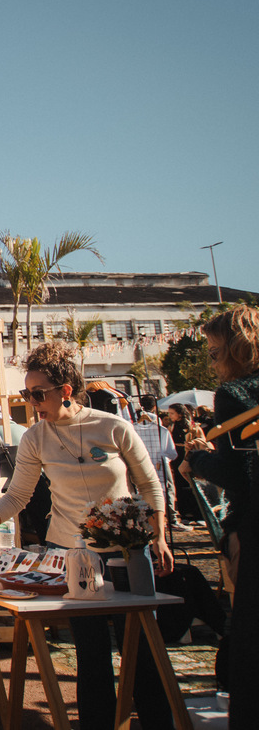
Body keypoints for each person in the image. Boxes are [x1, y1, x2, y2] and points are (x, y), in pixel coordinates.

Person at [0, 341, 172, 730]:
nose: (32, 402)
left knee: (145, 646)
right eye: (26, 394)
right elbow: (18, 496)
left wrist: (159, 536)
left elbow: (150, 485)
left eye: (38, 393)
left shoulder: (113, 426)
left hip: (128, 549)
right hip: (71, 553)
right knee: (91, 650)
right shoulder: (34, 438)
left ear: (66, 390)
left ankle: (158, 721)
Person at [182, 305, 259, 724]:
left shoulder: (235, 395)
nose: (212, 362)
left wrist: (198, 459)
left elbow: (238, 472)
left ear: (236, 349)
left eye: (214, 353)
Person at [131, 397, 183, 531]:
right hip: (158, 467)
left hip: (138, 468)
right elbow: (172, 454)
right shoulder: (161, 430)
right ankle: (169, 519)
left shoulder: (131, 429)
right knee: (164, 492)